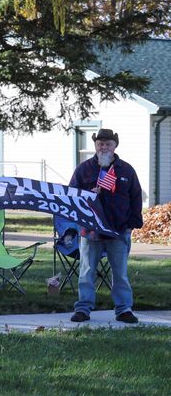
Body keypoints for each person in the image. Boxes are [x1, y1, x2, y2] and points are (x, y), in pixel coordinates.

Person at [69, 128, 143, 324]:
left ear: (115, 146)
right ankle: (83, 309)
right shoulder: (83, 169)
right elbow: (71, 197)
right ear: (95, 145)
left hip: (118, 230)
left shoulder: (126, 170)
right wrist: (87, 197)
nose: (104, 147)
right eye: (100, 143)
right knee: (86, 272)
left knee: (120, 273)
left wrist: (132, 225)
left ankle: (124, 309)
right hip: (90, 231)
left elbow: (136, 198)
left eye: (108, 144)